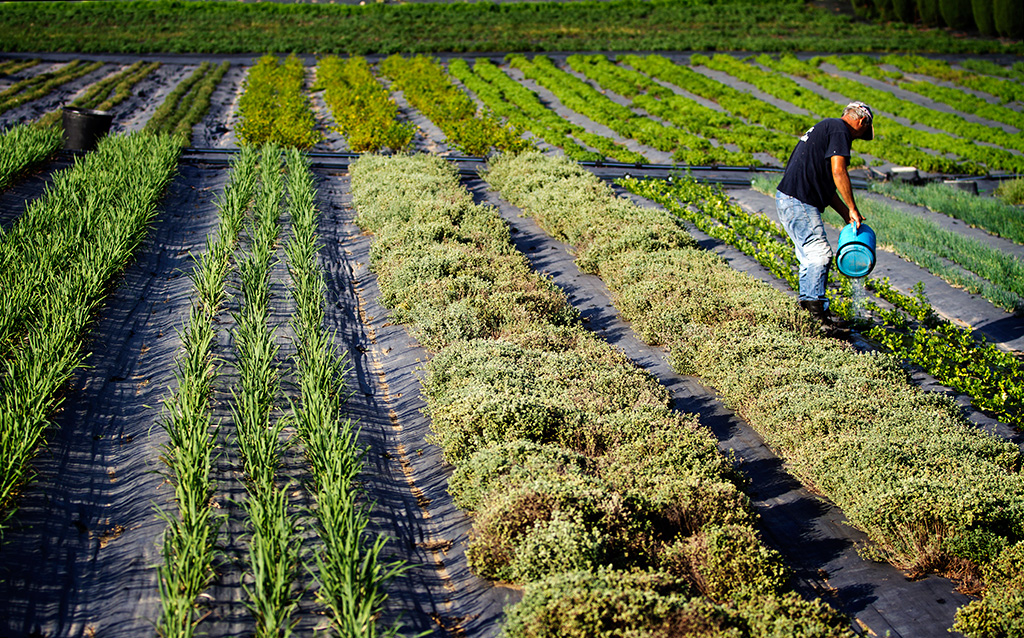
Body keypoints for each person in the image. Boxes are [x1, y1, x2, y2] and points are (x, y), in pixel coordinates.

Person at [775, 101, 874, 332]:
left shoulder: (828, 129)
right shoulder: (839, 129)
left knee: (809, 257)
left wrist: (846, 215)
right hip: (799, 200)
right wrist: (852, 206)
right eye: (863, 133)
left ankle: (814, 312)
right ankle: (816, 319)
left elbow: (828, 189)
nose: (857, 139)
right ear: (861, 121)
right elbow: (839, 172)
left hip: (789, 199)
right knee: (819, 253)